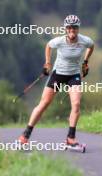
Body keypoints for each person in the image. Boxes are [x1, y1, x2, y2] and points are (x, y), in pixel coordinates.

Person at [18, 15, 94, 146]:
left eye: (74, 27)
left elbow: (91, 46)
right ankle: (25, 135)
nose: (72, 30)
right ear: (66, 29)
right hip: (58, 74)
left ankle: (71, 138)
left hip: (74, 75)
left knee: (76, 104)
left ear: (78, 28)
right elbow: (48, 46)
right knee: (44, 103)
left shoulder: (85, 41)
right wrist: (47, 63)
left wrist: (86, 62)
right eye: (69, 28)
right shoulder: (59, 41)